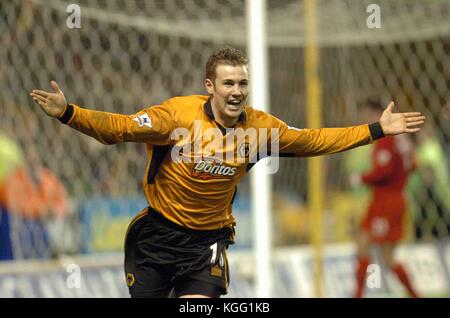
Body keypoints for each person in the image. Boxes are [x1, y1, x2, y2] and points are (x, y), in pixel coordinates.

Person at [30, 47, 425, 298]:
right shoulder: (176, 115)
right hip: (156, 237)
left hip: (208, 243)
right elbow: (118, 128)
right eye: (228, 83)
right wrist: (69, 113)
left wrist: (375, 130)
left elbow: (314, 140)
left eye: (243, 83)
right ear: (210, 86)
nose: (237, 91)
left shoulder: (258, 128)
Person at [351, 98, 420, 298]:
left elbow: (384, 171)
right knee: (363, 244)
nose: (362, 118)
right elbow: (412, 164)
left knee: (386, 256)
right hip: (390, 199)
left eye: (365, 113)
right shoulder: (401, 137)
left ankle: (415, 295)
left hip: (387, 202)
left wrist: (360, 178)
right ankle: (357, 294)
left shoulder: (387, 135)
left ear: (376, 112)